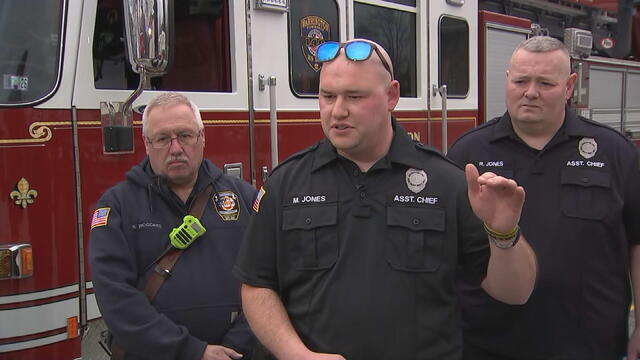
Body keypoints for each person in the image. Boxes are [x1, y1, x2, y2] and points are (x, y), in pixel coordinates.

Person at [233, 39, 537, 360]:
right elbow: (256, 285)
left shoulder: (447, 183)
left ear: (391, 96)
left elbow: (514, 293)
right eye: (327, 96)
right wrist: (295, 354)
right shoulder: (285, 184)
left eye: (355, 96)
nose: (338, 111)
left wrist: (504, 234)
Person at [447, 36, 640, 360]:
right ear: (507, 80)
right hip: (489, 344)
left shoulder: (615, 152)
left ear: (569, 86)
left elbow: (638, 241)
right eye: (521, 80)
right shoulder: (469, 153)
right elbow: (446, 251)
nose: (530, 92)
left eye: (545, 83)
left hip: (590, 344)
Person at [89, 92, 257, 360]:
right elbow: (116, 299)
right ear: (146, 143)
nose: (176, 148)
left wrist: (235, 348)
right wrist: (193, 352)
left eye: (185, 135)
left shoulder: (244, 198)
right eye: (163, 139)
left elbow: (269, 280)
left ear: (202, 137)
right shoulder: (117, 207)